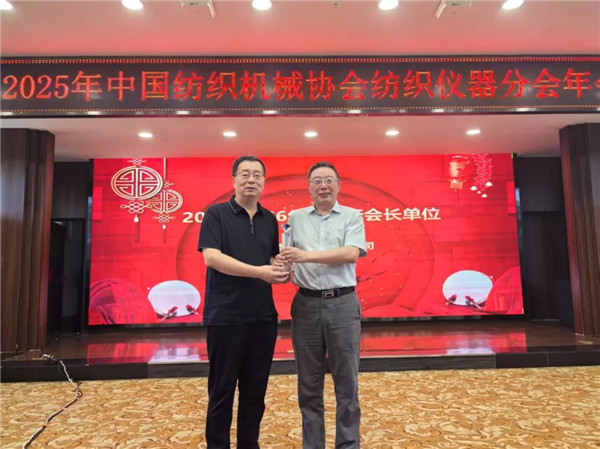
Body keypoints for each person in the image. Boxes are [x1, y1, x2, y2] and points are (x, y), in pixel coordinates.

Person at [198, 155, 290, 449]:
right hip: (226, 317)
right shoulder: (216, 214)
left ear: (264, 181)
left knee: (255, 393)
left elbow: (270, 259)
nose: (251, 180)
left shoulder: (270, 219)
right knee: (221, 392)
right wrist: (259, 272)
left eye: (257, 175)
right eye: (245, 174)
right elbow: (212, 258)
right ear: (234, 179)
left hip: (263, 318)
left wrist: (280, 269)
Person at [280, 161, 367, 449]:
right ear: (309, 187)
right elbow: (286, 254)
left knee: (347, 384)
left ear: (338, 185)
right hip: (305, 304)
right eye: (317, 181)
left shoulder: (352, 216)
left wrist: (304, 256)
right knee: (308, 385)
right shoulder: (295, 218)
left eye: (329, 180)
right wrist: (279, 265)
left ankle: (348, 444)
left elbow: (351, 253)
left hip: (342, 304)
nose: (323, 186)